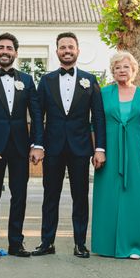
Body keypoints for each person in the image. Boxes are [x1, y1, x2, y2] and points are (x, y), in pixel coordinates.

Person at [32, 32, 106, 258]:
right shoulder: (46, 80)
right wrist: (38, 144)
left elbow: (99, 117)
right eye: (63, 47)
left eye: (70, 47)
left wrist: (99, 148)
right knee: (50, 196)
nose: (67, 50)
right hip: (53, 147)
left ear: (77, 51)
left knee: (80, 196)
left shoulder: (90, 80)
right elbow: (37, 115)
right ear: (57, 52)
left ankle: (80, 243)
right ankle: (47, 242)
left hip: (80, 147)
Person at [0, 33, 43, 259]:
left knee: (19, 196)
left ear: (15, 53)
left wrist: (37, 144)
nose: (5, 51)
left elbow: (37, 115)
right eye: (1, 47)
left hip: (21, 147)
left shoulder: (27, 80)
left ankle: (16, 243)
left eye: (9, 48)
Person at [91, 52, 140, 259]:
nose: (121, 71)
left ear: (133, 70)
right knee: (107, 196)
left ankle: (134, 246)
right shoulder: (103, 93)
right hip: (108, 152)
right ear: (113, 71)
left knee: (133, 196)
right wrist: (97, 150)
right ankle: (105, 245)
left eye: (125, 67)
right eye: (117, 68)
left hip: (135, 151)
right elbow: (94, 124)